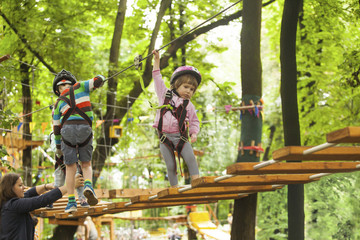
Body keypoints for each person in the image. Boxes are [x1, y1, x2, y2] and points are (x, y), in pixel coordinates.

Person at [52, 69, 105, 212]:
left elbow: (56, 129)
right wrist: (101, 77)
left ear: (58, 89)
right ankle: (88, 185)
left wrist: (58, 148)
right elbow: (99, 80)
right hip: (84, 129)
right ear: (72, 83)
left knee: (70, 168)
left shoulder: (57, 104)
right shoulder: (82, 86)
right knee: (86, 164)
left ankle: (71, 202)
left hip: (67, 131)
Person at [152, 50, 201, 187]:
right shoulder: (164, 95)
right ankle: (174, 188)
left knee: (191, 158)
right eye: (186, 87)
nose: (188, 91)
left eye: (192, 89)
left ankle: (196, 182)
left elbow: (194, 121)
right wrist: (157, 60)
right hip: (165, 138)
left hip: (181, 137)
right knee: (171, 165)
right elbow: (157, 77)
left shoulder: (189, 105)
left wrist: (194, 132)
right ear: (176, 85)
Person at [0, 172, 83, 240]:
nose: (24, 187)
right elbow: (41, 200)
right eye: (20, 185)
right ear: (10, 188)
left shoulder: (8, 204)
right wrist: (70, 186)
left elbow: (29, 193)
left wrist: (46, 186)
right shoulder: (13, 205)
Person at [46, 132, 89, 209]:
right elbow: (55, 150)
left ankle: (82, 199)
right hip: (60, 164)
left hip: (73, 162)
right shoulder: (54, 135)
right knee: (58, 184)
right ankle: (50, 200)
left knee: (78, 179)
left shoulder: (72, 131)